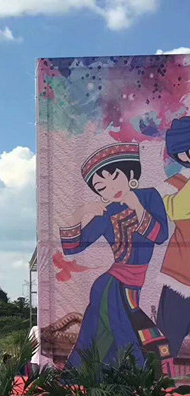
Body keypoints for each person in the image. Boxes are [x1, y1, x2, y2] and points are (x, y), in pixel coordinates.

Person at [59, 143, 173, 374]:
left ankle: (104, 379)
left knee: (106, 332)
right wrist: (80, 213)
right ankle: (135, 378)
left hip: (131, 283)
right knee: (123, 333)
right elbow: (72, 247)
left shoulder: (149, 196)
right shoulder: (106, 213)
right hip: (112, 285)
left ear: (130, 173)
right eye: (102, 187)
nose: (111, 188)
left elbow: (161, 235)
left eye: (114, 178)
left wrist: (137, 207)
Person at [157, 117, 190, 361]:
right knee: (167, 339)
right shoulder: (174, 184)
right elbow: (178, 210)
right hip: (181, 276)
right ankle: (157, 379)